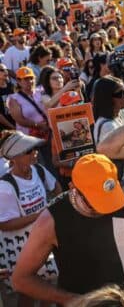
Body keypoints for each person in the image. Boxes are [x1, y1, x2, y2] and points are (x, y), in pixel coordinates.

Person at [12, 154, 124, 305]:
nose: (106, 210)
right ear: (73, 189)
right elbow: (20, 279)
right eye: (95, 203)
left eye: (110, 199)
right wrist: (74, 300)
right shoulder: (50, 221)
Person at [0, 130, 61, 306]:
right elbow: (4, 225)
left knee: (46, 289)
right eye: (28, 150)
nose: (34, 152)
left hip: (42, 241)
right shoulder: (4, 187)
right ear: (15, 157)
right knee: (26, 293)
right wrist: (40, 215)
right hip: (20, 250)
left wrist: (58, 205)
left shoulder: (39, 170)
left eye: (34, 148)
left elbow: (55, 185)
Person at [0, 63, 15, 130]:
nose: (5, 71)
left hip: (15, 122)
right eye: (2, 70)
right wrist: (11, 127)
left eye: (6, 70)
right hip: (3, 129)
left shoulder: (11, 86)